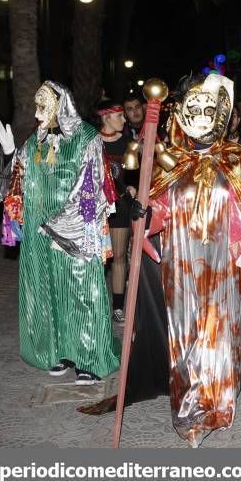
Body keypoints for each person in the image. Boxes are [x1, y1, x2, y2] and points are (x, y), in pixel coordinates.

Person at [90, 73, 241, 446]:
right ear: (179, 114)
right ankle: (190, 405)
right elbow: (156, 210)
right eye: (191, 110)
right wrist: (145, 216)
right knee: (185, 335)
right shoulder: (169, 160)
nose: (200, 117)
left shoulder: (236, 158)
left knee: (219, 335)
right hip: (180, 264)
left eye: (208, 110)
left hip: (224, 267)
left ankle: (217, 404)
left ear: (221, 115)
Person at [0, 81, 120, 385]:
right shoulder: (35, 143)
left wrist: (61, 227)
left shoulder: (86, 138)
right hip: (39, 233)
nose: (38, 112)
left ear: (61, 105)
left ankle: (90, 357)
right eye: (36, 106)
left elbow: (90, 187)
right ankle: (60, 351)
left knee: (80, 292)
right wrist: (7, 152)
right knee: (48, 292)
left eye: (43, 106)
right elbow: (13, 182)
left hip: (75, 232)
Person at [95, 99, 137, 324]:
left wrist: (134, 186)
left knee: (119, 256)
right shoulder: (91, 142)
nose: (124, 119)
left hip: (120, 206)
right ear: (106, 117)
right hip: (95, 208)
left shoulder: (129, 143)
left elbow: (135, 175)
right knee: (97, 259)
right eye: (119, 115)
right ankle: (96, 303)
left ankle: (118, 306)